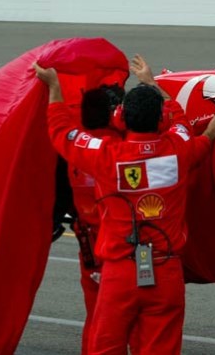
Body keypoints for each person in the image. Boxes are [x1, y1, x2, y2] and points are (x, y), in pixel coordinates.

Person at [33, 54, 215, 355]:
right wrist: (153, 84)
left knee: (104, 347)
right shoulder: (181, 149)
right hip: (166, 273)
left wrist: (55, 87)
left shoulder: (107, 155)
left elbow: (62, 133)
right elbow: (183, 123)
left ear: (121, 117)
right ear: (160, 119)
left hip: (120, 273)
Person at [68, 84, 125, 355]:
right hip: (117, 248)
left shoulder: (76, 147)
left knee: (94, 316)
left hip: (88, 245)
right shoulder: (117, 148)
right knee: (124, 322)